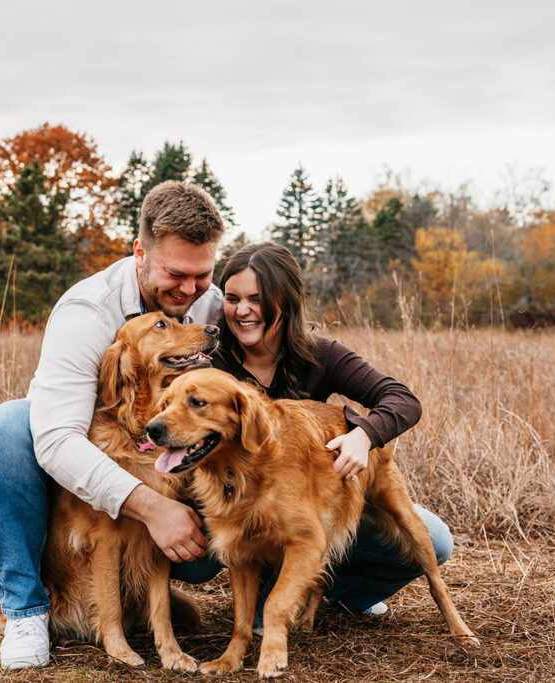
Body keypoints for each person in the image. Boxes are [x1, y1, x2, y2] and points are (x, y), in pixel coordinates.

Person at [0, 181, 226, 669]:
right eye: (176, 274)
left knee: (426, 541)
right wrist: (155, 510)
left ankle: (281, 595)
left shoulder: (212, 305)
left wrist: (355, 429)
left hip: (169, 458)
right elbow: (55, 439)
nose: (190, 291)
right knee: (9, 424)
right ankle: (26, 609)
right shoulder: (87, 311)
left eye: (203, 275)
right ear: (139, 252)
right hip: (83, 477)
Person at [179, 241, 453, 626]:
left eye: (257, 299)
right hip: (238, 511)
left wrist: (364, 435)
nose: (242, 311)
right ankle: (273, 596)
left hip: (302, 511)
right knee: (197, 566)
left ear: (286, 300)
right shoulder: (211, 364)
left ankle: (338, 593)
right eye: (233, 298)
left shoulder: (319, 353)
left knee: (437, 541)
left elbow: (402, 400)